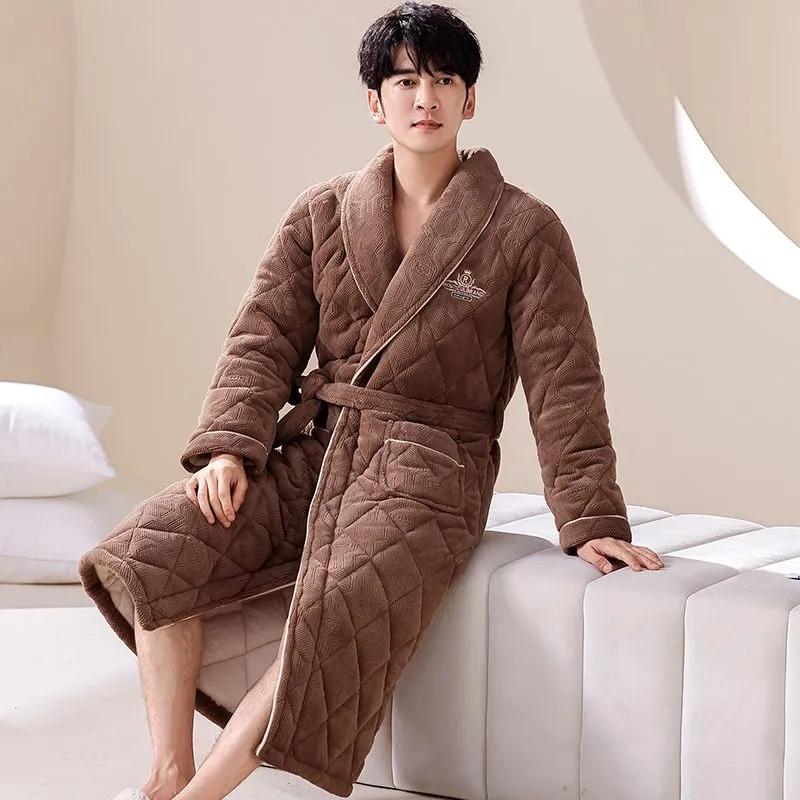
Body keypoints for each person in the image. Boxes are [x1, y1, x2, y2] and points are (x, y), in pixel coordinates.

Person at [90, 4, 664, 800]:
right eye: (404, 81)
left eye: (444, 80)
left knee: (336, 613)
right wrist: (229, 448)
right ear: (375, 101)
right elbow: (263, 338)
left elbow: (564, 378)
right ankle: (167, 769)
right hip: (320, 446)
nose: (425, 97)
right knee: (157, 550)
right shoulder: (321, 213)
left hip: (433, 471)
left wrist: (591, 516)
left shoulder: (524, 230)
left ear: (470, 99)